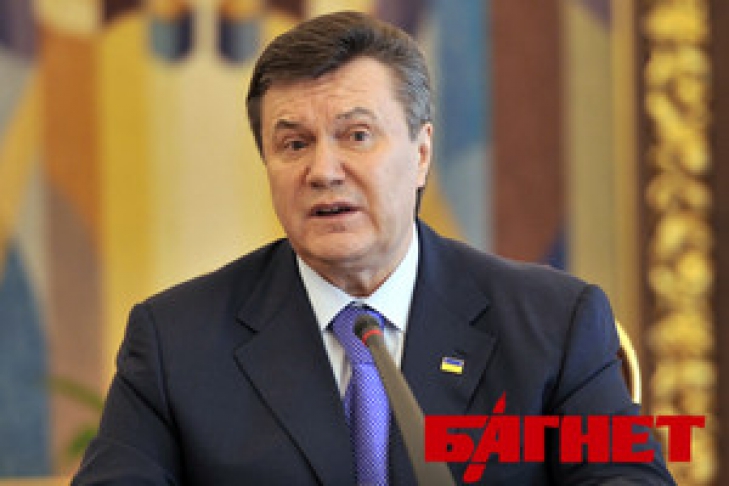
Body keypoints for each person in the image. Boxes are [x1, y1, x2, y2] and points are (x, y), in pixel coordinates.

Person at [73, 10, 676, 485]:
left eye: (356, 135)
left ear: (421, 153)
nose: (323, 170)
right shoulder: (177, 341)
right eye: (293, 144)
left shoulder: (553, 324)